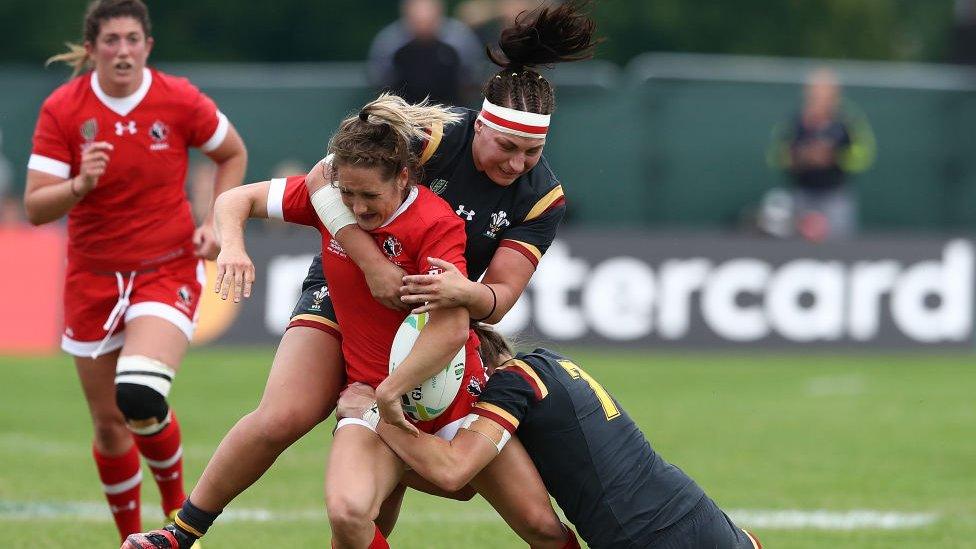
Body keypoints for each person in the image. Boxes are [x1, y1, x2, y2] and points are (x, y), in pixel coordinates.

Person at [127, 1, 598, 546]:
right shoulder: (429, 136)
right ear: (480, 124)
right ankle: (181, 534)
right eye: (507, 147)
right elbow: (330, 177)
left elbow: (501, 296)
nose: (517, 164)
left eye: (533, 151)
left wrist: (462, 292)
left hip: (425, 318)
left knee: (392, 494)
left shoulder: (543, 197)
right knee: (284, 416)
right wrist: (370, 263)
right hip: (344, 291)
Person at [22, 0, 247, 542]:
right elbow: (34, 208)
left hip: (164, 269)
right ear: (93, 48)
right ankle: (129, 537)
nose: (122, 51)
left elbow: (231, 153)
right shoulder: (64, 108)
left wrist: (216, 225)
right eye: (111, 41)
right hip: (92, 279)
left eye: (131, 40)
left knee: (141, 396)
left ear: (147, 46)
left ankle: (176, 522)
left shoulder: (177, 98)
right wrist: (79, 186)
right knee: (109, 425)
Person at [339, 325, 764, 549]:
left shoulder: (511, 383)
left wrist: (374, 415)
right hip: (705, 517)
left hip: (644, 538)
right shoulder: (551, 364)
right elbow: (469, 486)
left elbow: (454, 471)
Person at [766, 68, 875, 241]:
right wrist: (802, 157)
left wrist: (834, 156)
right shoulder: (794, 123)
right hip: (801, 196)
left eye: (825, 93)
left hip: (835, 197)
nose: (820, 98)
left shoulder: (847, 123)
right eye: (815, 93)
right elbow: (776, 156)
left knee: (838, 249)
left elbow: (863, 157)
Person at [368, 0, 484, 105]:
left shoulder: (460, 39)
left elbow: (471, 80)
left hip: (452, 112)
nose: (423, 15)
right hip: (403, 115)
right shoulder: (389, 43)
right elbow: (381, 82)